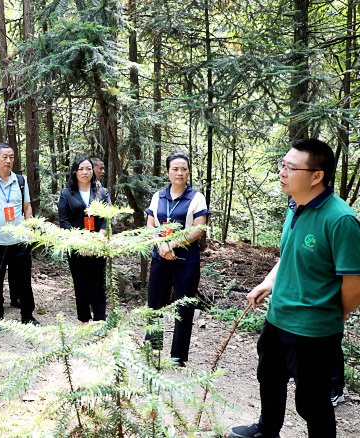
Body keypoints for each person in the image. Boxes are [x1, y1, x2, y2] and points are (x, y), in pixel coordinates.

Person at [230, 139, 360, 438]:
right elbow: (289, 256)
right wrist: (268, 282)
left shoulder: (340, 220)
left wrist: (328, 314)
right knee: (269, 378)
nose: (283, 172)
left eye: (291, 167)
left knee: (311, 402)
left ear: (317, 175)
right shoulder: (295, 205)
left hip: (313, 330)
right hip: (278, 318)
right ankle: (267, 429)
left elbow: (354, 285)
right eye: (282, 164)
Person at [144, 151, 208, 367]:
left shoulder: (196, 197)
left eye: (184, 169)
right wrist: (161, 246)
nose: (180, 173)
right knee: (155, 303)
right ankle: (152, 348)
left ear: (188, 171)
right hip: (160, 257)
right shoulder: (158, 196)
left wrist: (172, 244)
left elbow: (198, 230)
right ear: (167, 172)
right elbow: (150, 225)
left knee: (184, 307)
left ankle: (178, 356)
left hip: (186, 260)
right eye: (175, 169)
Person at [0, 142, 40, 335]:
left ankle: (27, 316)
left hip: (19, 241)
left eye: (11, 157)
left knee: (24, 281)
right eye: (5, 157)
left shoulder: (20, 181)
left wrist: (29, 232)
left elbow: (27, 208)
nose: (9, 160)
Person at [58, 156, 111, 323]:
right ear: (75, 171)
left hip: (98, 245)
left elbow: (106, 218)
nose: (85, 172)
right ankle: (84, 320)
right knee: (80, 284)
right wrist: (78, 242)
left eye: (88, 168)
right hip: (75, 246)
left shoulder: (102, 192)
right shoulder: (66, 193)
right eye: (81, 169)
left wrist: (98, 238)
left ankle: (100, 320)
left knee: (98, 284)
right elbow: (64, 220)